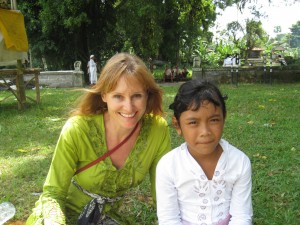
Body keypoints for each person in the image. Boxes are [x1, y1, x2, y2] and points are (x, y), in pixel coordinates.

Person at [26, 53, 171, 225]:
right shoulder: (78, 129)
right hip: (61, 216)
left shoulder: (157, 130)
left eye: (137, 96)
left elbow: (164, 196)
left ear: (147, 95)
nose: (129, 107)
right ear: (104, 96)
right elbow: (52, 194)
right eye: (118, 96)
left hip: (104, 219)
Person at [156, 80, 252, 225]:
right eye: (193, 122)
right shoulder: (168, 165)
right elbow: (168, 219)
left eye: (214, 120)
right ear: (177, 125)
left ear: (223, 118)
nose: (205, 132)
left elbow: (241, 216)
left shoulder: (239, 162)